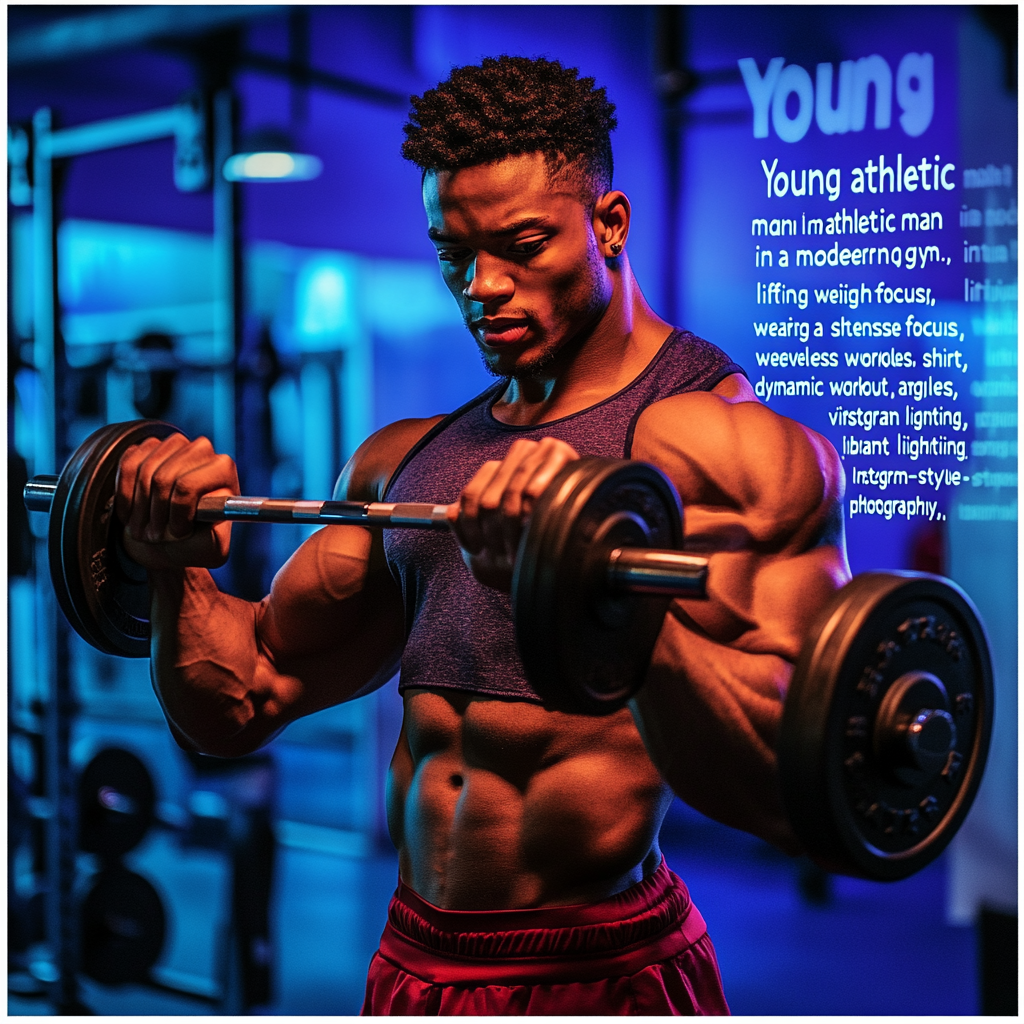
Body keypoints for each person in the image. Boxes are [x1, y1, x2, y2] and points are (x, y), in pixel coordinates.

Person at [115, 56, 849, 1015]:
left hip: (600, 970)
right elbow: (237, 703)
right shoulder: (408, 464)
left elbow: (796, 789)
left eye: (522, 244)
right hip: (418, 960)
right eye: (453, 253)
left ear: (610, 224)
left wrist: (598, 592)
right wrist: (176, 570)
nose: (481, 287)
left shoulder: (721, 445)